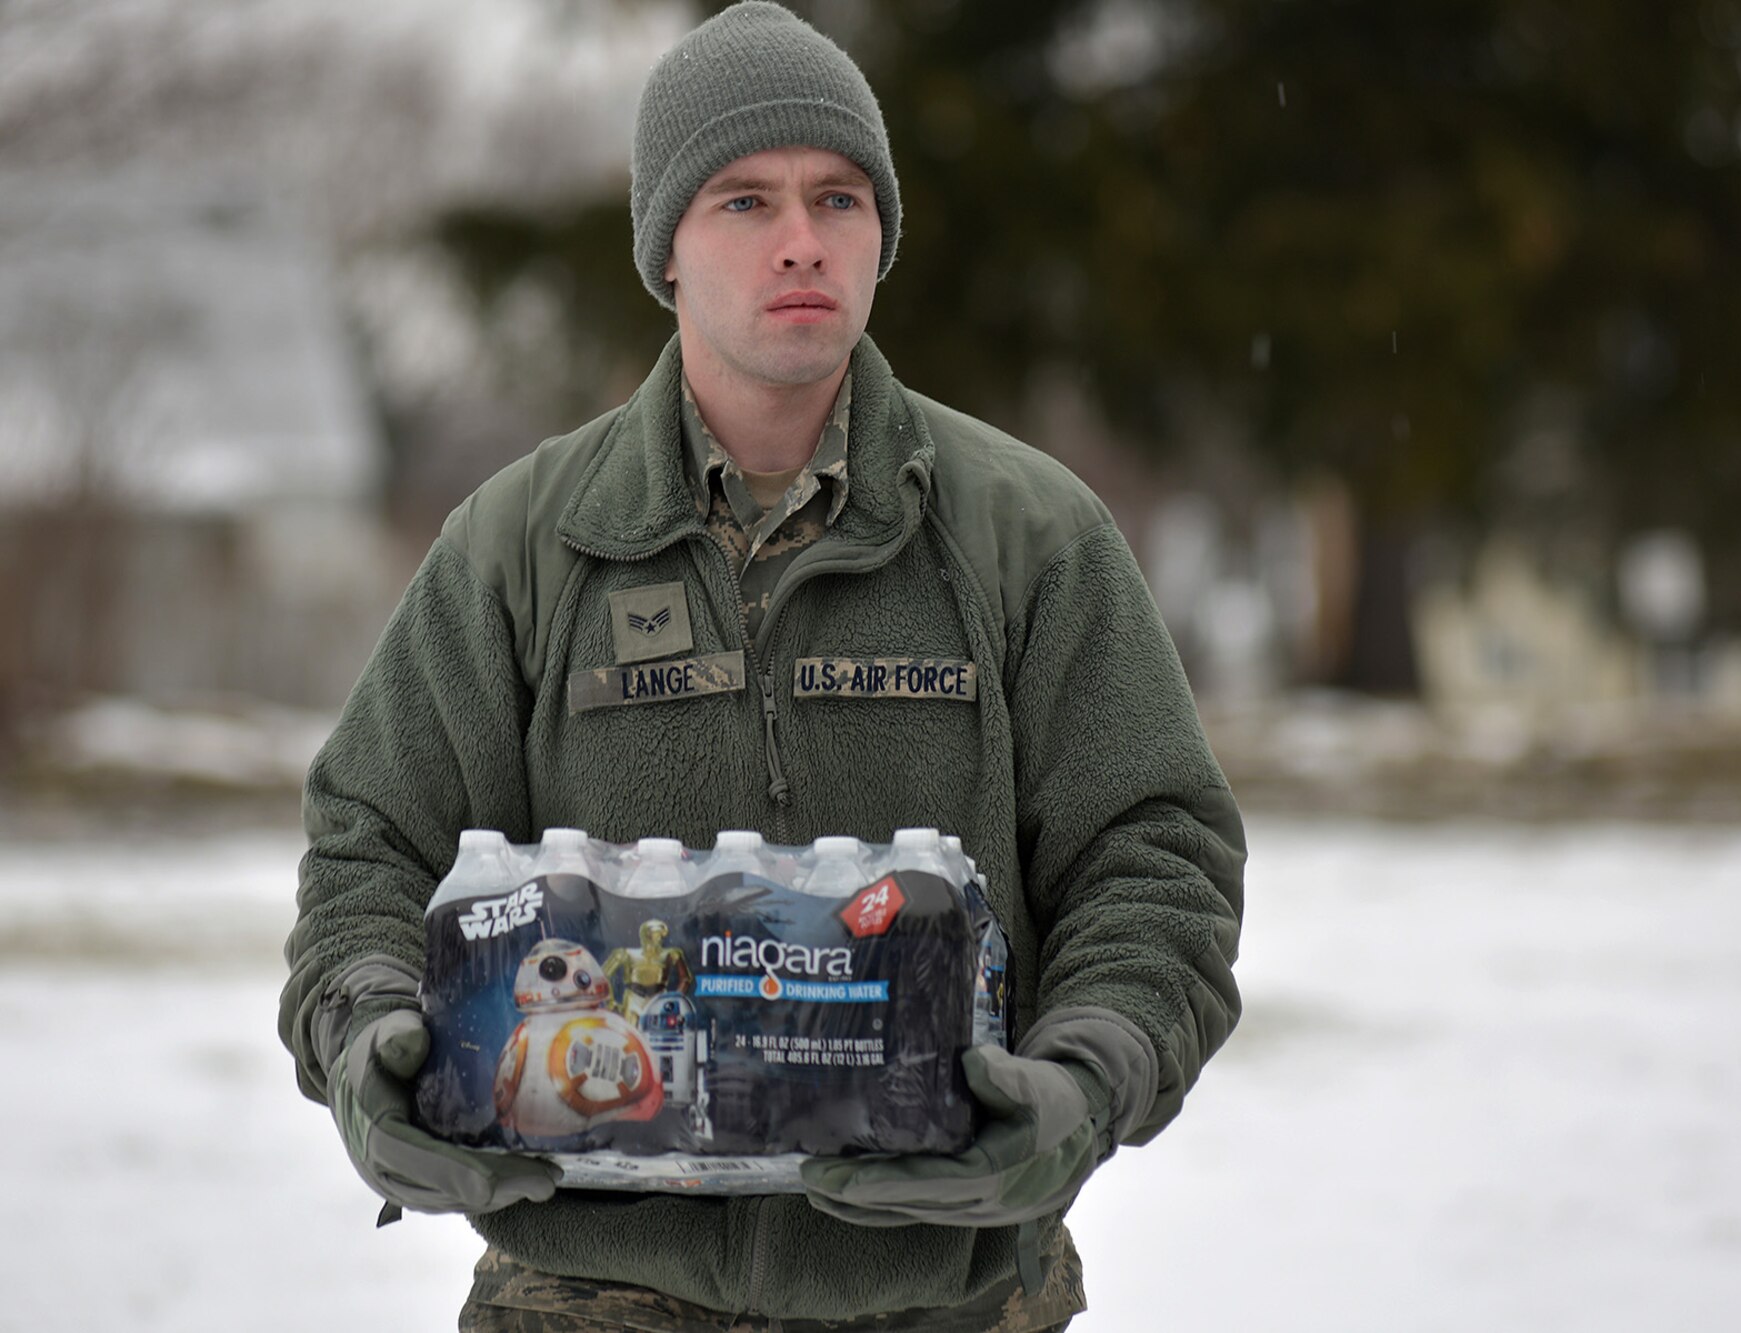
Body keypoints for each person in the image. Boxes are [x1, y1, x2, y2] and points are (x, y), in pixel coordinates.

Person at [277, 4, 1245, 1329]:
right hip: (589, 1297)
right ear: (665, 249)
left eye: (838, 197)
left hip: (944, 1297)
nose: (801, 238)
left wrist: (1084, 1078)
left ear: (880, 237)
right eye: (743, 201)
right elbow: (368, 851)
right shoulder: (521, 548)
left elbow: (1155, 858)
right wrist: (368, 1039)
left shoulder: (1031, 537)